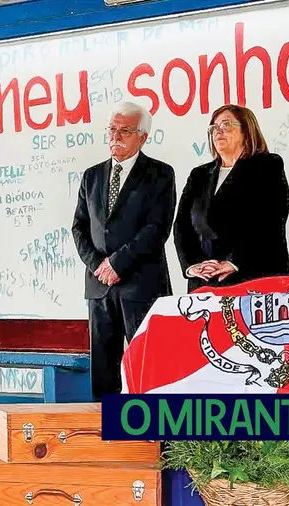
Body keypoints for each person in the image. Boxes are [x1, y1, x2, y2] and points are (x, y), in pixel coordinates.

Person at [71, 101, 176, 400]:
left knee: (149, 366)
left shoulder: (160, 174)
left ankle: (156, 440)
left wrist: (117, 264)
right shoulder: (92, 176)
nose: (116, 136)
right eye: (112, 129)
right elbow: (79, 228)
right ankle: (108, 436)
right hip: (99, 287)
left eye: (125, 130)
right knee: (103, 369)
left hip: (141, 285)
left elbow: (156, 229)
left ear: (142, 137)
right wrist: (98, 266)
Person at [174, 104, 289, 293]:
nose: (218, 131)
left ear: (246, 130)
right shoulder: (199, 175)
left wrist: (234, 262)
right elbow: (182, 226)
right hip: (205, 281)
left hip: (253, 276)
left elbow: (271, 222)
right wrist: (193, 265)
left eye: (226, 125)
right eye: (214, 128)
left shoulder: (268, 166)